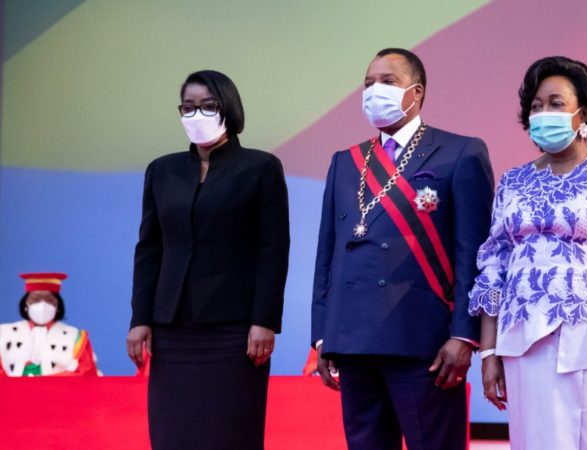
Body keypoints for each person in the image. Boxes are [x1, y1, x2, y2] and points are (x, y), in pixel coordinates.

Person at [469, 56, 587, 449]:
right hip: (522, 341)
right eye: (536, 107)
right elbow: (494, 267)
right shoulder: (513, 182)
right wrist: (489, 352)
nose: (543, 114)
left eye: (555, 104)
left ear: (583, 112)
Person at [311, 48, 494, 450]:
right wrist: (324, 337)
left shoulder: (460, 153)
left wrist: (465, 335)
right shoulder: (345, 161)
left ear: (416, 92)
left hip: (425, 343)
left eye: (388, 82)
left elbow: (475, 254)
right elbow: (328, 255)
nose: (375, 90)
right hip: (354, 340)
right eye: (369, 83)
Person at [126, 70, 290, 450]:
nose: (196, 114)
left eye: (207, 106)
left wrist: (264, 320)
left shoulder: (260, 167)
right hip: (173, 329)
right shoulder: (162, 170)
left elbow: (273, 249)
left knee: (230, 434)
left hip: (235, 331)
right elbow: (149, 249)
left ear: (228, 108)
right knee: (173, 435)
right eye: (188, 107)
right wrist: (140, 319)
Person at [0, 273, 98, 377]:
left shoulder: (75, 337)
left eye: (50, 300)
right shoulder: (4, 333)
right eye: (35, 299)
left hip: (60, 391)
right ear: (25, 304)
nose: (42, 305)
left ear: (58, 305)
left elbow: (86, 373)